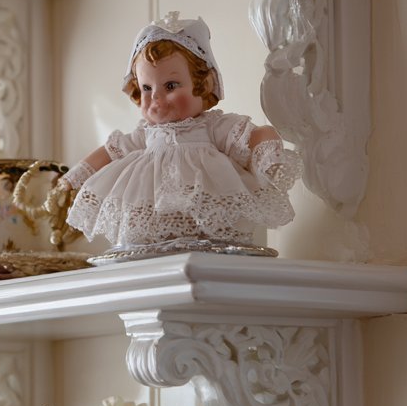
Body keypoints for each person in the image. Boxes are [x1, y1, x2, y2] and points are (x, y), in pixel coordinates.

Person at [55, 13, 300, 251]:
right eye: (147, 88)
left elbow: (252, 136)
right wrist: (70, 179)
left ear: (202, 85)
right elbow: (110, 152)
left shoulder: (210, 127)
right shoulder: (145, 135)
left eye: (170, 86)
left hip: (205, 213)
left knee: (212, 225)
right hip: (152, 215)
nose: (156, 97)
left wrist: (268, 155)